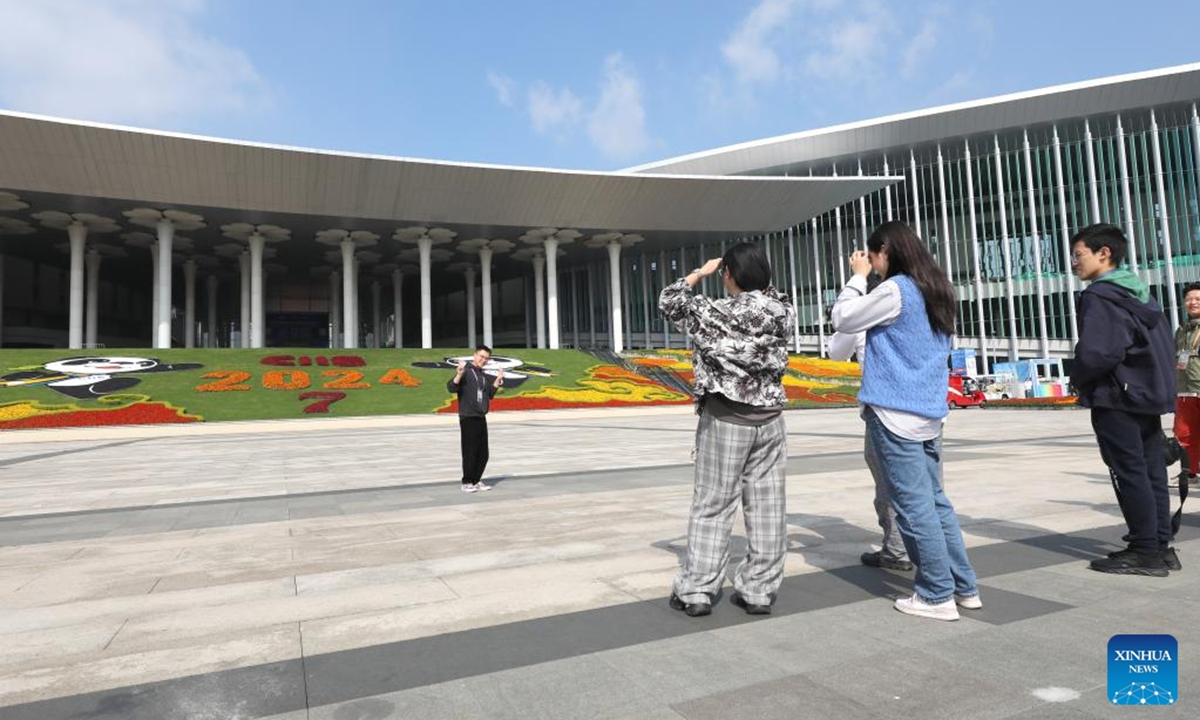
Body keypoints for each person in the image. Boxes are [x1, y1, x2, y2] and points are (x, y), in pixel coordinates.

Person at [831, 221, 980, 621]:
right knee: (935, 502)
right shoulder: (937, 290)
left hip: (894, 412)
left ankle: (935, 594)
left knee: (913, 507)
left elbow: (843, 319)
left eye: (873, 255)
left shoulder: (896, 289)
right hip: (928, 412)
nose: (872, 263)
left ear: (885, 251)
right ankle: (963, 586)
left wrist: (856, 279)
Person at [660, 241, 794, 617]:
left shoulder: (713, 311)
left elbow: (670, 300)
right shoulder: (783, 311)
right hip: (769, 419)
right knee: (767, 506)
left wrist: (700, 273)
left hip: (726, 418)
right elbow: (770, 294)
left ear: (728, 275)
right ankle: (758, 590)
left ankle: (698, 589)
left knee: (713, 504)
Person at [1070, 224, 1178, 576]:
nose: (1073, 262)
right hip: (1145, 395)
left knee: (1128, 471)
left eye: (1078, 254)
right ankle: (1160, 546)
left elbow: (1098, 353)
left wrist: (1079, 379)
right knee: (1151, 472)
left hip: (1116, 397)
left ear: (1105, 254)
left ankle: (1145, 551)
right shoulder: (1142, 294)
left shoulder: (1100, 296)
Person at [826, 275, 915, 572]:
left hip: (883, 410)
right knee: (924, 488)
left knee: (888, 484)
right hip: (922, 409)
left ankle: (897, 549)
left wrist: (854, 285)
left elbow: (836, 351)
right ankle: (916, 551)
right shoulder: (918, 305)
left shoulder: (869, 312)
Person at [448, 344, 504, 493]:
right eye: (481, 356)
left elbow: (489, 394)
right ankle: (467, 481)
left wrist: (497, 381)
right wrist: (459, 374)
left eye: (486, 358)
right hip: (468, 417)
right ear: (475, 355)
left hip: (480, 417)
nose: (483, 360)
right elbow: (451, 387)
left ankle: (476, 480)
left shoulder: (482, 375)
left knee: (483, 453)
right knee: (470, 451)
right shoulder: (465, 371)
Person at [1173, 281, 1200, 488]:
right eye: (1189, 299)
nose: (1193, 302)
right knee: (1184, 434)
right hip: (1184, 391)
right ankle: (1189, 473)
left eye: (1198, 299)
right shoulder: (1181, 330)